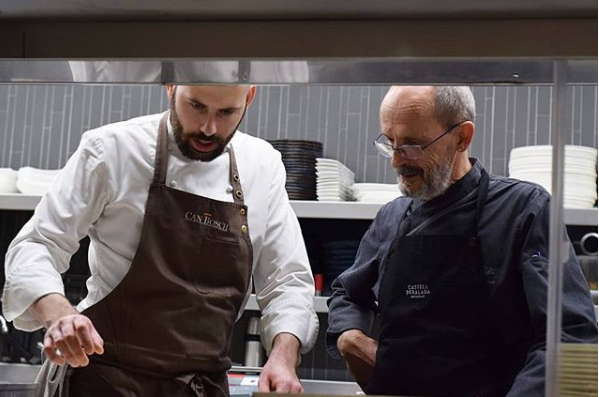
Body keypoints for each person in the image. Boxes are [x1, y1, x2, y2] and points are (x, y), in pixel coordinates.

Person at [2, 85, 319, 396]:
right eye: (196, 106)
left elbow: (287, 279)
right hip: (105, 380)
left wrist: (283, 355)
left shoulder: (262, 165)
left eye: (226, 112)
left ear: (249, 97)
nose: (209, 128)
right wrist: (60, 314)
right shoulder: (112, 149)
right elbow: (36, 245)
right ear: (171, 87)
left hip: (200, 385)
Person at [326, 86, 598, 397]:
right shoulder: (391, 217)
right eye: (390, 143)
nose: (396, 162)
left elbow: (568, 335)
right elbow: (347, 292)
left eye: (413, 145)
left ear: (462, 138)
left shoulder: (523, 210)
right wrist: (349, 338)